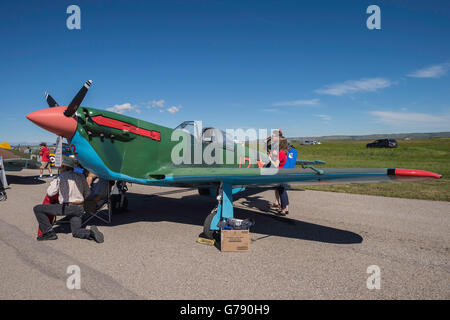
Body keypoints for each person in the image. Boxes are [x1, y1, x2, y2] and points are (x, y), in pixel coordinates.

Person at [33, 157, 104, 243]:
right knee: (76, 232)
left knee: (37, 208)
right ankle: (90, 233)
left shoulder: (60, 177)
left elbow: (50, 193)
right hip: (80, 208)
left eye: (61, 167)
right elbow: (87, 193)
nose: (60, 168)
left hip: (68, 208)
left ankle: (48, 232)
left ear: (64, 167)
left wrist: (55, 182)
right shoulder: (81, 176)